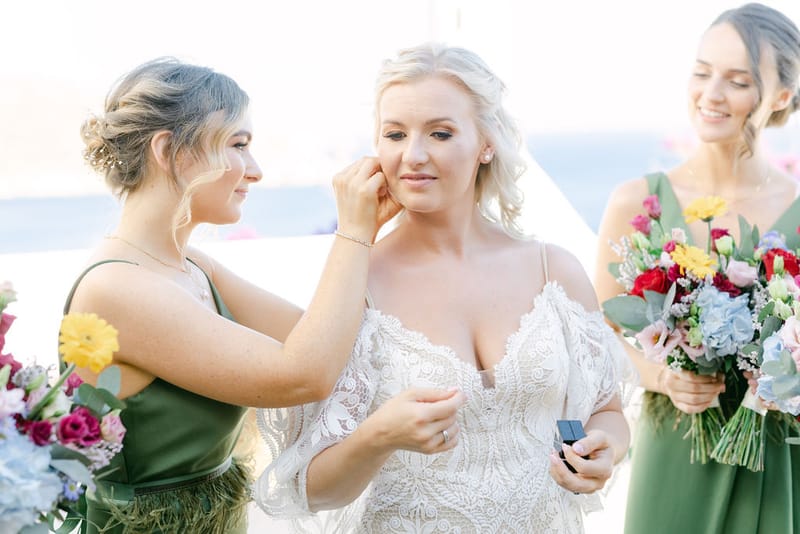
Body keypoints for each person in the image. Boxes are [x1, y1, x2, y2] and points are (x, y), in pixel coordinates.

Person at [255, 43, 633, 533]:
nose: (412, 155)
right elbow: (311, 489)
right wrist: (379, 436)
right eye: (394, 134)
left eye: (440, 132)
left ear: (486, 143)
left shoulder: (553, 270)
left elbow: (607, 409)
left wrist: (605, 448)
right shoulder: (357, 287)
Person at [62, 57, 399, 533]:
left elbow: (331, 339)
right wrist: (354, 232)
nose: (255, 170)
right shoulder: (115, 289)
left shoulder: (191, 264)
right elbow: (304, 374)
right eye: (238, 145)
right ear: (169, 151)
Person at [594, 4, 800, 533]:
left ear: (780, 96)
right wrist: (662, 378)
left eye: (737, 81)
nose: (710, 94)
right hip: (676, 447)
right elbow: (596, 333)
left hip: (778, 451)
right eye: (702, 72)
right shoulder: (639, 202)